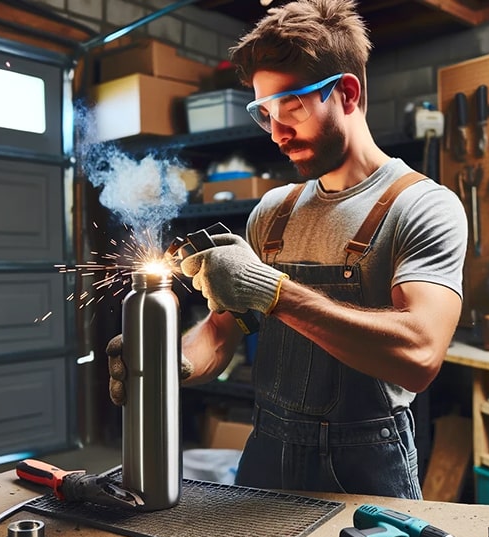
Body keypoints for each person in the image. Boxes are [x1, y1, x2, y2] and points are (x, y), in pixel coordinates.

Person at [107, 0, 467, 499]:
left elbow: (420, 353)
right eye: (265, 113)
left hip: (364, 470)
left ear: (346, 92)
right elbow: (221, 331)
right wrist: (174, 363)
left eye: (291, 108)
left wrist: (274, 292)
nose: (277, 132)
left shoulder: (422, 206)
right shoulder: (272, 212)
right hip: (268, 455)